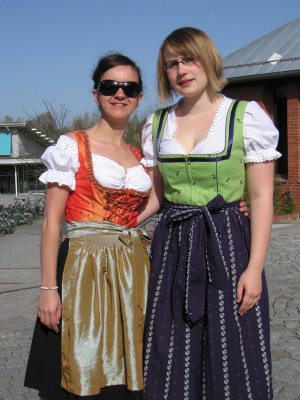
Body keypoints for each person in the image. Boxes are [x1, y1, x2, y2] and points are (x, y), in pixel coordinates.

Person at [138, 27, 281, 400]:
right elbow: (157, 195)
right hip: (173, 243)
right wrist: (115, 223)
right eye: (171, 64)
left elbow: (263, 198)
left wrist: (254, 268)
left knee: (233, 342)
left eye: (189, 59)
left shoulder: (245, 116)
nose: (181, 70)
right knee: (172, 343)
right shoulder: (155, 124)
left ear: (208, 59)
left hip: (228, 241)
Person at [24, 53, 152, 400]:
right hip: (82, 267)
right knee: (80, 358)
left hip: (133, 268)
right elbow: (52, 220)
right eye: (110, 86)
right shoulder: (72, 145)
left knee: (130, 366)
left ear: (140, 97)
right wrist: (48, 289)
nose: (120, 94)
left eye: (130, 87)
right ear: (96, 94)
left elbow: (163, 198)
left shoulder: (140, 155)